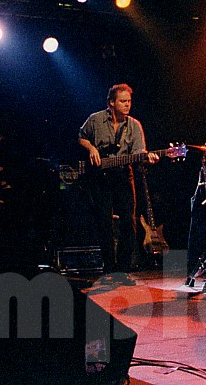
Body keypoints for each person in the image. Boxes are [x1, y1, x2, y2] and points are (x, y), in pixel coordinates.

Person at [78, 84, 159, 279]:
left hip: (123, 175)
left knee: (129, 222)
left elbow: (139, 151)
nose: (127, 104)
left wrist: (147, 157)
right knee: (104, 222)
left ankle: (123, 270)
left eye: (129, 101)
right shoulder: (95, 119)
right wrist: (91, 148)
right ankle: (109, 269)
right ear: (111, 103)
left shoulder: (134, 125)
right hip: (99, 177)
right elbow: (81, 137)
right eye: (123, 101)